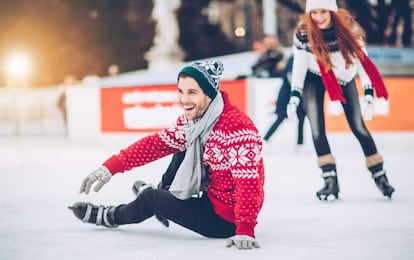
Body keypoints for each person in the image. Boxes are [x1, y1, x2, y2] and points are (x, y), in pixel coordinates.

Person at [69, 60, 265, 250]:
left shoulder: (237, 128)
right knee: (182, 147)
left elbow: (248, 182)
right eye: (181, 91)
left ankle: (112, 215)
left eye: (192, 92)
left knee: (150, 198)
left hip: (224, 218)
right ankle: (165, 193)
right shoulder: (196, 123)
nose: (184, 100)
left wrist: (245, 229)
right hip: (212, 193)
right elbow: (155, 145)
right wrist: (110, 167)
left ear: (209, 95)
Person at [286, 0, 395, 200]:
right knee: (317, 130)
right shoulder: (304, 32)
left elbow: (363, 63)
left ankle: (380, 176)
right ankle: (330, 180)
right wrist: (295, 96)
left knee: (358, 127)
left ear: (332, 12)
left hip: (344, 77)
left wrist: (369, 95)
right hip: (313, 76)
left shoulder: (348, 29)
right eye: (314, 12)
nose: (318, 17)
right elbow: (299, 65)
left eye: (323, 12)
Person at [263, 55, 306, 151]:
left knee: (301, 116)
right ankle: (265, 139)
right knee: (281, 117)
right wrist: (297, 89)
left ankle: (300, 144)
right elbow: (290, 75)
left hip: (295, 94)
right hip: (287, 95)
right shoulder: (294, 58)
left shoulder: (301, 57)